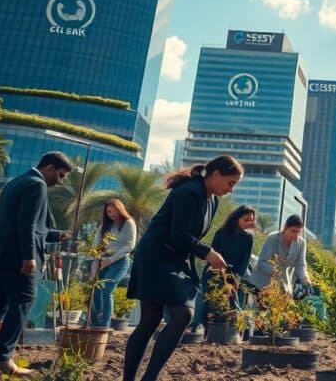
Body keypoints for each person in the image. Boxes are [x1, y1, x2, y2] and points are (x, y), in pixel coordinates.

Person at [123, 156, 242, 381]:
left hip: (175, 258)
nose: (231, 189)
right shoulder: (189, 191)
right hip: (155, 256)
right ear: (216, 174)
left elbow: (189, 238)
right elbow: (179, 235)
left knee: (168, 318)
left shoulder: (212, 200)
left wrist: (209, 258)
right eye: (231, 182)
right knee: (165, 317)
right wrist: (208, 253)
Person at [0, 152, 73, 377]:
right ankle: (1, 355)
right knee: (25, 299)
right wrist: (29, 256)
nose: (61, 181)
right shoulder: (37, 184)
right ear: (50, 168)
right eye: (61, 175)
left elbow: (22, 223)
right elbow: (27, 224)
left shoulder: (15, 182)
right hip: (17, 257)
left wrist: (55, 235)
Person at [190, 205, 256, 335]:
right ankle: (198, 326)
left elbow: (245, 259)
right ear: (237, 218)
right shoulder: (221, 233)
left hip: (235, 272)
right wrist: (224, 277)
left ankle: (236, 330)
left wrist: (237, 277)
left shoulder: (249, 237)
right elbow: (213, 255)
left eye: (251, 220)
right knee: (206, 297)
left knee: (238, 296)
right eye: (246, 220)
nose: (249, 223)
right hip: (215, 270)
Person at [89, 198, 136, 328]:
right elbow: (96, 248)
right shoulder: (105, 226)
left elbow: (129, 246)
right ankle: (94, 323)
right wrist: (94, 268)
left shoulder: (128, 223)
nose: (111, 214)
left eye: (113, 211)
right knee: (96, 290)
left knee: (107, 289)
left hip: (120, 261)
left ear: (119, 209)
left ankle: (104, 324)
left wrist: (110, 260)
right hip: (103, 261)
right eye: (108, 212)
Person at [246, 214, 311, 294]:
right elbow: (262, 262)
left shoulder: (301, 243)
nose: (296, 235)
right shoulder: (272, 238)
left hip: (282, 287)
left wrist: (306, 281)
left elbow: (300, 266)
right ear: (285, 227)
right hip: (261, 283)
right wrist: (276, 272)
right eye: (293, 231)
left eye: (298, 232)